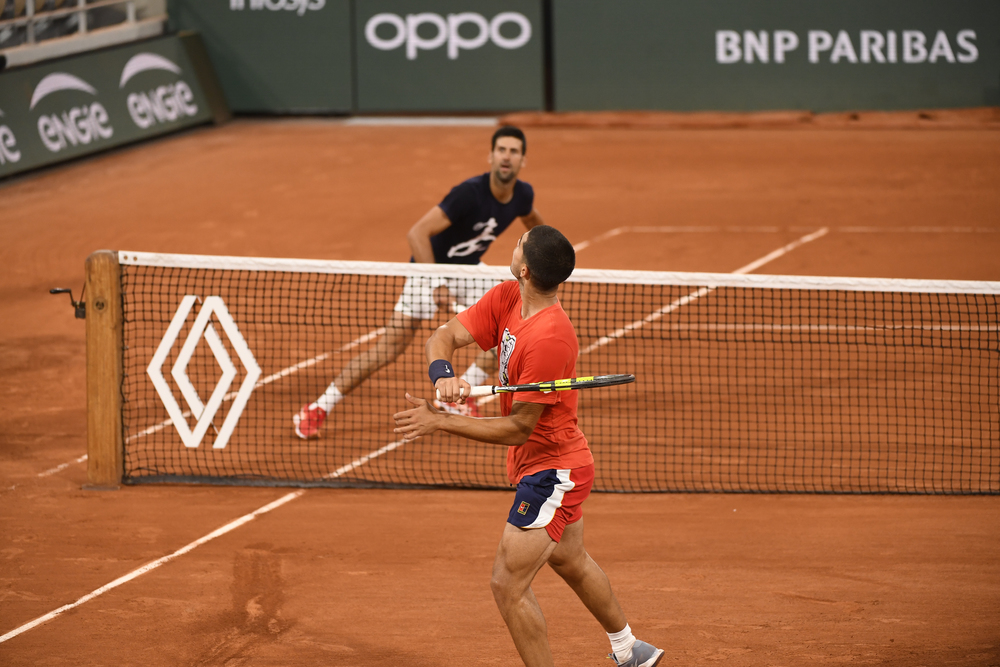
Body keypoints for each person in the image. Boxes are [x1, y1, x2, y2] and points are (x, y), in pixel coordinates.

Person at [392, 226, 663, 667]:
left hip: (553, 470)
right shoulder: (506, 297)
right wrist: (444, 375)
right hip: (538, 461)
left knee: (507, 584)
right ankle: (631, 648)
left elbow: (519, 427)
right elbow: (442, 336)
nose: (515, 240)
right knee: (570, 559)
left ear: (525, 268)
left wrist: (441, 421)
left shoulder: (550, 338)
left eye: (520, 242)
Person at [294, 126, 544, 439]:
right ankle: (319, 407)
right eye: (502, 150)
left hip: (468, 272)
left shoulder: (522, 194)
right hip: (429, 270)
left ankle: (459, 400)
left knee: (508, 329)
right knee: (388, 349)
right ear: (491, 156)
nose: (507, 157)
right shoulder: (469, 194)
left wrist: (548, 250)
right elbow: (417, 234)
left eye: (514, 151)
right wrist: (436, 281)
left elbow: (535, 224)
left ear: (523, 160)